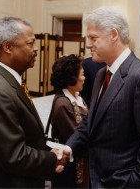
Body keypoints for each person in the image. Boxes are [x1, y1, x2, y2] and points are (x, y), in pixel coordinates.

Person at [66, 6, 140, 188]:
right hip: (97, 178)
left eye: (93, 38)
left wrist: (133, 184)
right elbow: (91, 122)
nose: (88, 45)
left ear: (113, 35)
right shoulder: (101, 75)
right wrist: (68, 148)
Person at [0, 17, 66, 188]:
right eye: (30, 43)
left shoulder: (10, 81)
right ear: (7, 47)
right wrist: (53, 158)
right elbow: (14, 156)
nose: (36, 49)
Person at [48, 54, 90, 188]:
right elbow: (77, 135)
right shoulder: (63, 104)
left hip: (79, 163)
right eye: (82, 74)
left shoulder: (77, 97)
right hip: (68, 168)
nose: (84, 78)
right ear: (72, 78)